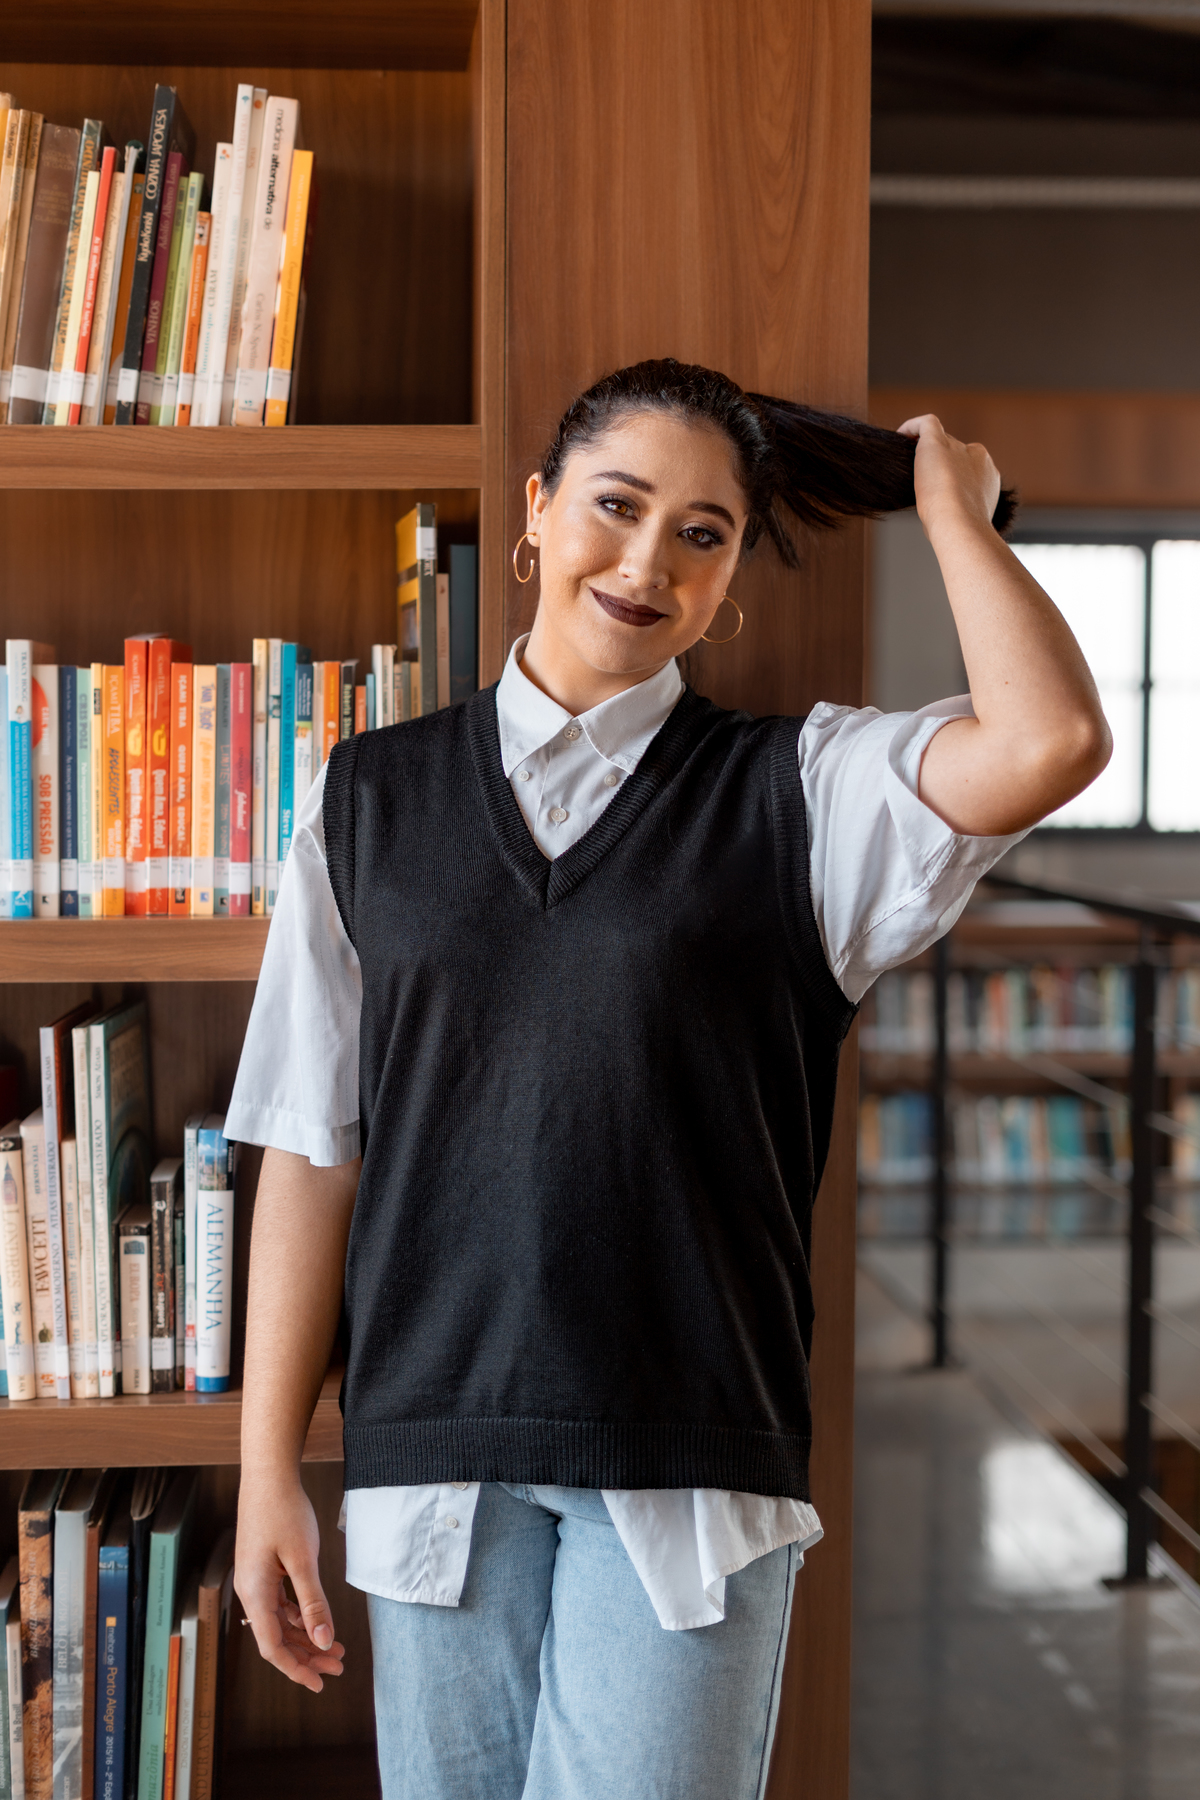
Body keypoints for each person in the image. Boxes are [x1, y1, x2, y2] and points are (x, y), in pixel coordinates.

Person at [228, 359, 1110, 1800]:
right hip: (432, 1450)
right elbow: (309, 1146)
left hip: (689, 1454)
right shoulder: (364, 797)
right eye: (616, 506)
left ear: (734, 577)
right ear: (536, 512)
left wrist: (954, 512)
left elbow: (1050, 741)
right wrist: (267, 1466)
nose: (647, 563)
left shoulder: (806, 792)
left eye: (703, 534)